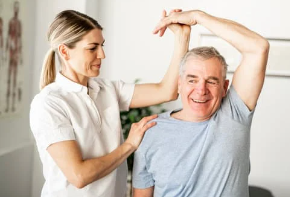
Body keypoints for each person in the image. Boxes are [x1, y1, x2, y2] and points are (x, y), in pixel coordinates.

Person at [29, 9, 190, 197]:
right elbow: (79, 175)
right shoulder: (49, 103)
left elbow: (167, 91)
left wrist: (182, 37)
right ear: (65, 51)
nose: (102, 55)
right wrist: (129, 145)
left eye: (102, 46)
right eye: (92, 48)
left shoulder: (107, 89)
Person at [133, 9, 269, 197]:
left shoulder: (234, 113)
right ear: (179, 84)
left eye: (212, 81)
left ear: (224, 87)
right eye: (192, 80)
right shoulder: (150, 131)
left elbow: (258, 47)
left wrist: (198, 17)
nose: (201, 89)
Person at [5, 1, 22, 112]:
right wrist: (6, 52)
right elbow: (8, 37)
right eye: (15, 8)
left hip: (15, 51)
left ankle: (13, 105)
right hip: (11, 50)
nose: (16, 10)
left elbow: (19, 38)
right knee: (9, 78)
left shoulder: (19, 23)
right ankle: (7, 105)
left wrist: (20, 54)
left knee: (14, 78)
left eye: (17, 8)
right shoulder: (11, 22)